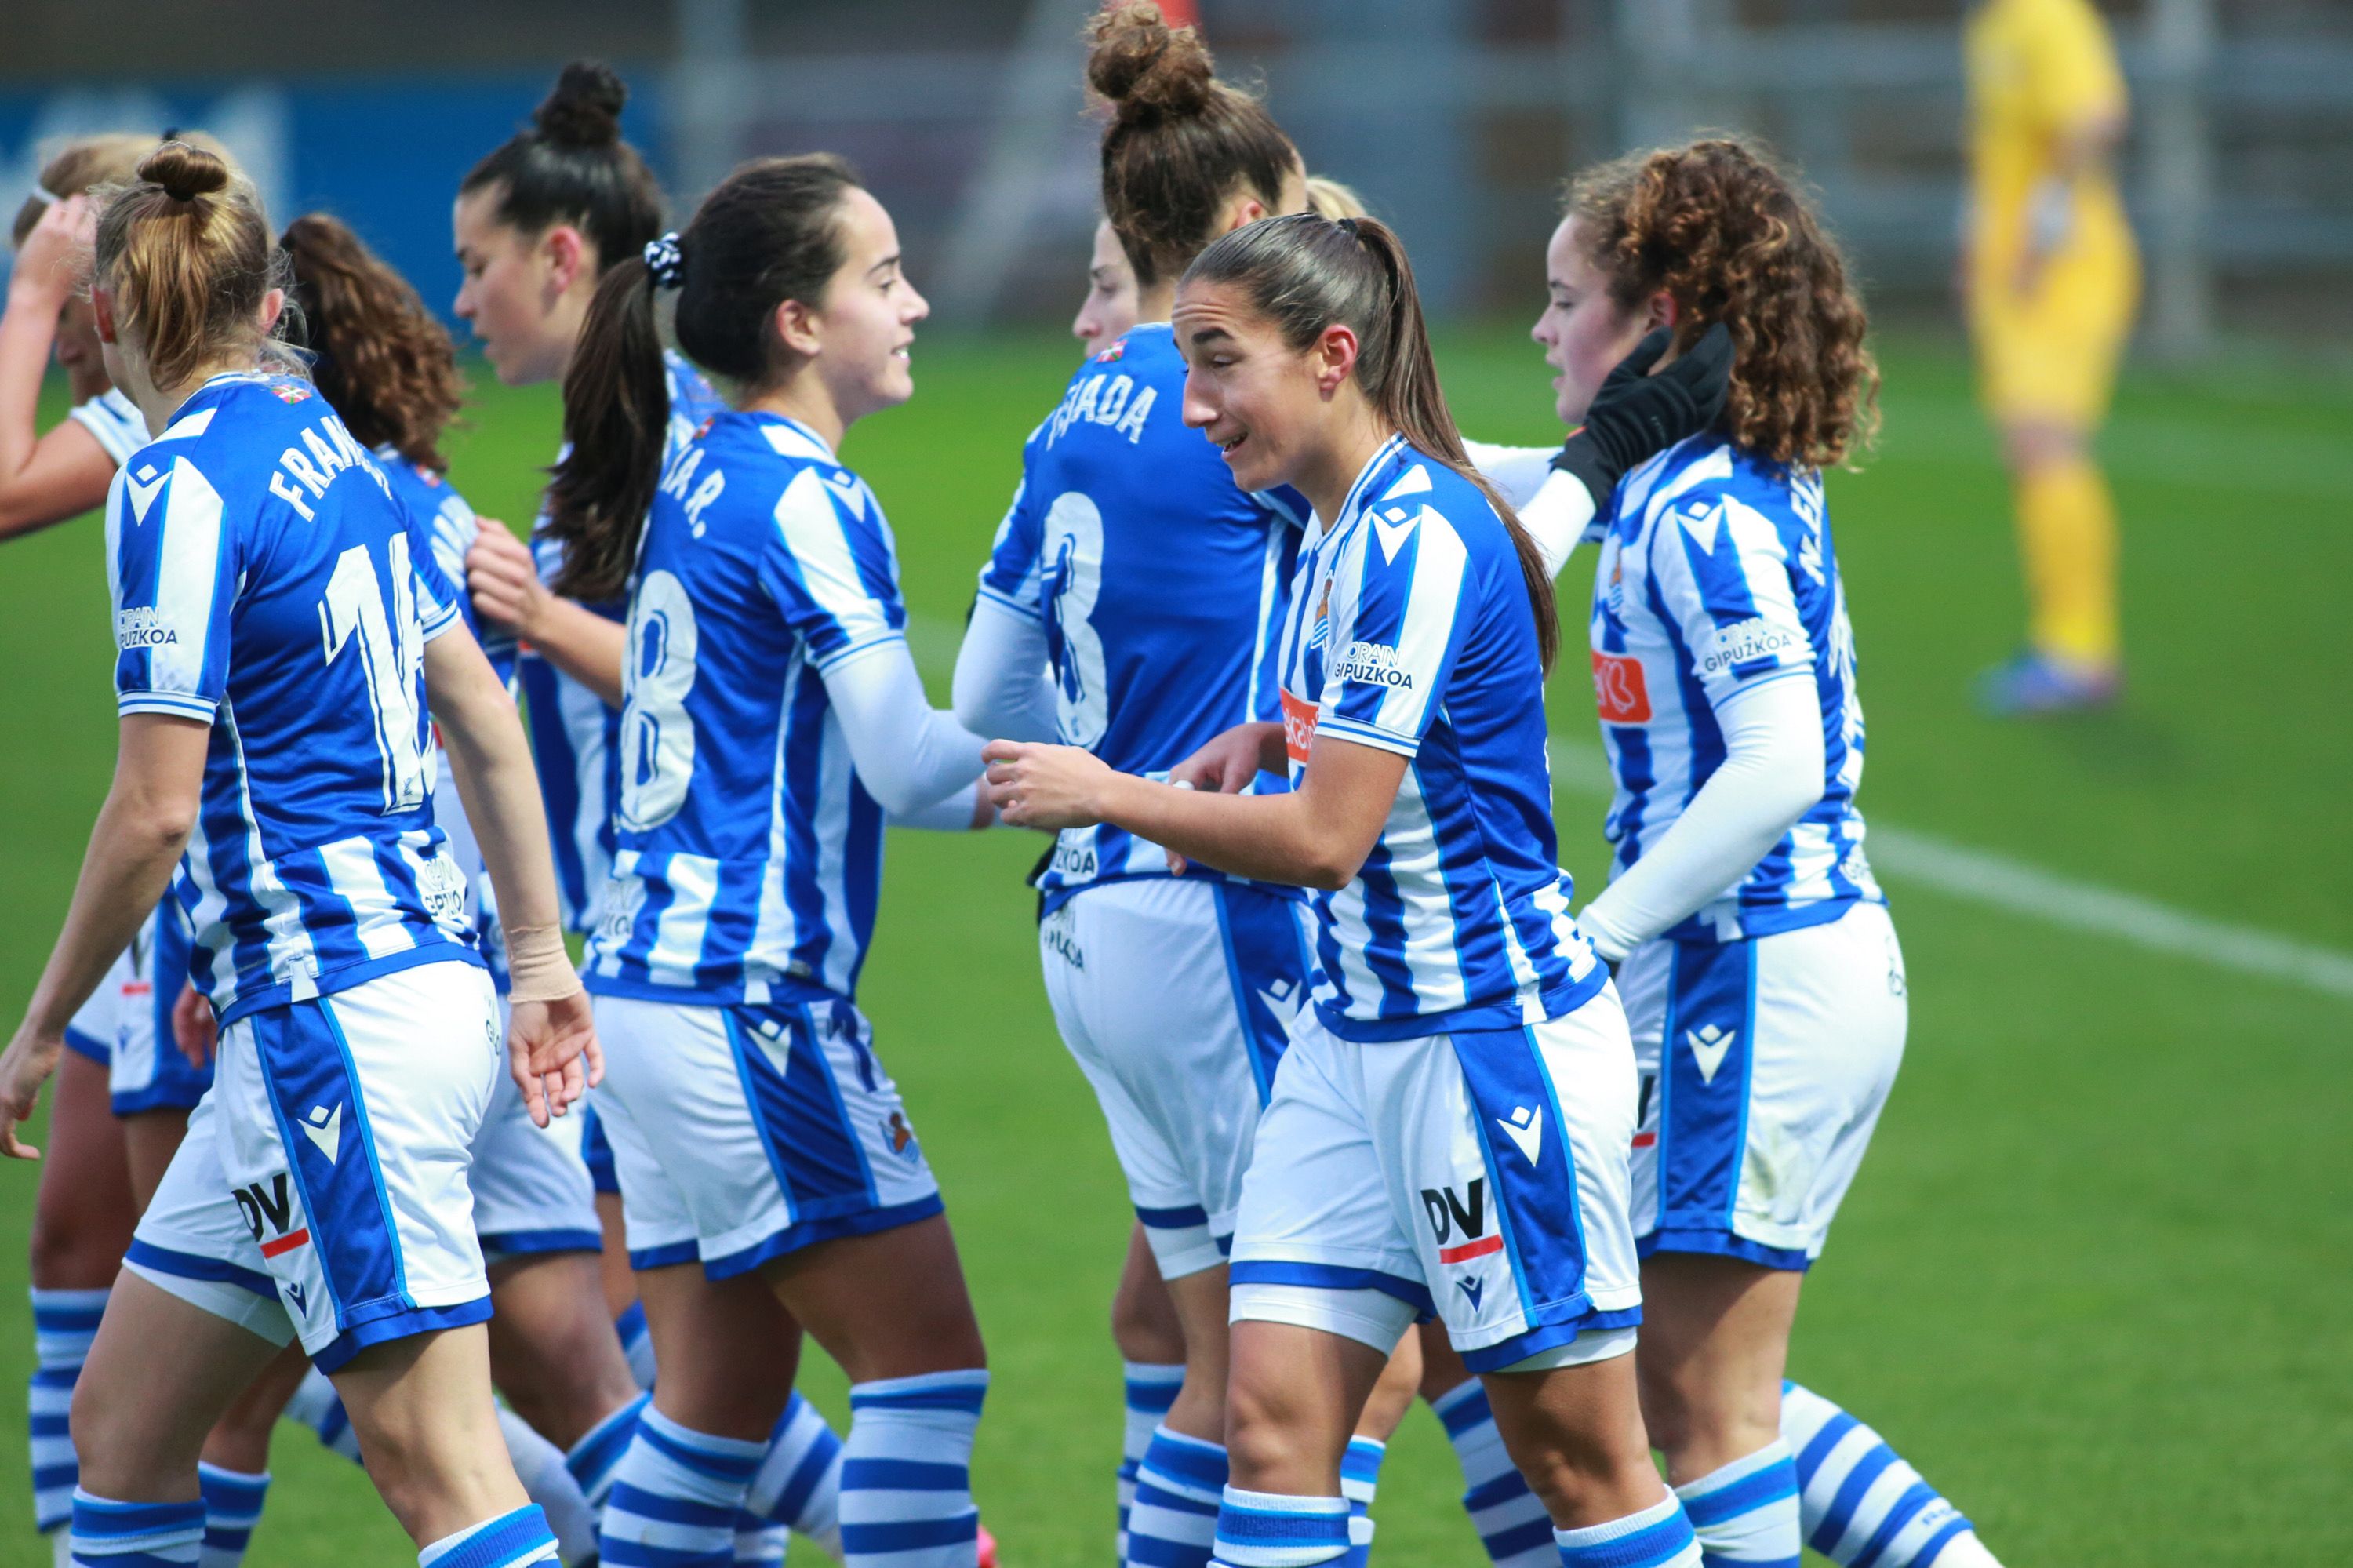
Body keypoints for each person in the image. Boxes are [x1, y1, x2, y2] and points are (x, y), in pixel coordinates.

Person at [982, 209, 1704, 1568]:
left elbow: (1326, 840)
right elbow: (1365, 753)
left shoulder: (1413, 535)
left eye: (1217, 363)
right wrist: (1268, 731)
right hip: (1353, 1037)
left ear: (1329, 357)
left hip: (1489, 1045)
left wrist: (1110, 789)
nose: (1194, 407)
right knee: (1273, 1422)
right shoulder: (1331, 524)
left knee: (1581, 1455)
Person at [0, 140, 596, 1568]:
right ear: (265, 303)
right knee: (126, 1433)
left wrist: (34, 1026)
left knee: (440, 1471)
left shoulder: (173, 482)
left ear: (120, 318)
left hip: (339, 1020)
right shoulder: (345, 456)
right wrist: (533, 956)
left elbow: (153, 813)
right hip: (377, 998)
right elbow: (486, 726)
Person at [1537, 137, 2003, 1568]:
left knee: (1705, 1400)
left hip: (1757, 967)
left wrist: (1598, 932)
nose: (1546, 328)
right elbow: (1492, 496)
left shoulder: (1701, 509)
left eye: (1567, 299)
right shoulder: (1678, 482)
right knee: (1684, 1385)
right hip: (1756, 965)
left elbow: (1782, 760)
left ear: (1659, 321)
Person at [545, 152, 995, 1568]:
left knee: (716, 1411)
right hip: (749, 1004)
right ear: (799, 322)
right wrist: (1128, 793)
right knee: (928, 1371)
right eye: (883, 277)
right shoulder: (806, 496)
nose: (914, 302)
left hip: (651, 997)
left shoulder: (706, 473)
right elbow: (912, 769)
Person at [445, 62, 846, 1561]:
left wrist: (539, 620)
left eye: (480, 262)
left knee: (605, 1328)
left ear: (563, 257)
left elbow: (719, 679)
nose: (465, 296)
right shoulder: (601, 437)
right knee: (607, 1334)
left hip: (669, 939)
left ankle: (923, 1522)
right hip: (609, 936)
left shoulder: (675, 434)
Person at [1963, 0, 2137, 714]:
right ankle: (2062, 638)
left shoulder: (2048, 14)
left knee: (2048, 444)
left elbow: (2095, 115)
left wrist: (2047, 219)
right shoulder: (1996, 24)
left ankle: (2080, 650)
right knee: (2031, 451)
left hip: (2060, 270)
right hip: (2015, 272)